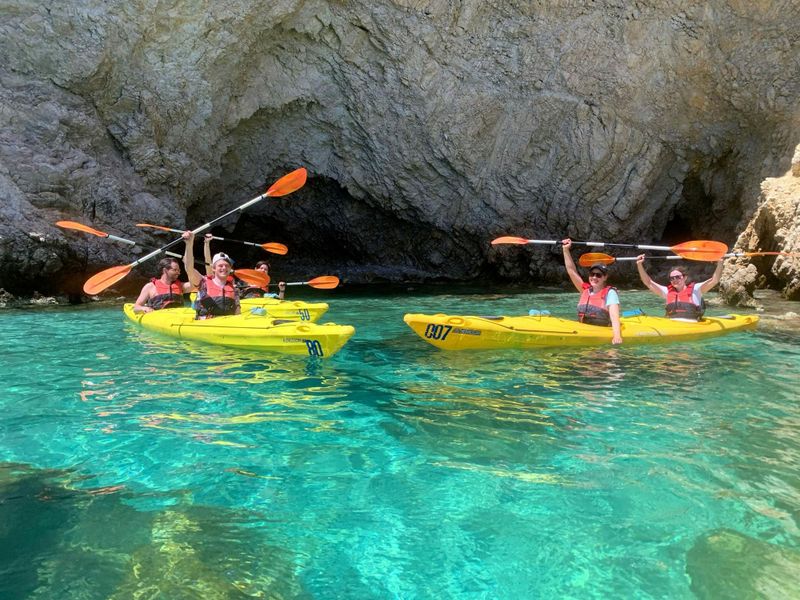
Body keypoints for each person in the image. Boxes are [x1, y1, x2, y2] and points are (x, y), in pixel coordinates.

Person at [562, 239, 623, 344]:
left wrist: (617, 336)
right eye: (592, 274)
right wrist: (565, 250)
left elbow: (614, 316)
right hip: (583, 330)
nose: (594, 277)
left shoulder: (610, 293)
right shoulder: (585, 290)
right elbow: (571, 271)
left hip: (601, 332)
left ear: (605, 277)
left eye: (598, 275)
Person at [636, 254, 723, 320]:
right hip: (672, 325)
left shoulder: (696, 289)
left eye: (678, 277)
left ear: (685, 278)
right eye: (672, 278)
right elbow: (648, 282)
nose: (675, 280)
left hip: (691, 326)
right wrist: (639, 265)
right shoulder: (667, 292)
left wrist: (720, 263)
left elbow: (714, 280)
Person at [201, 234, 286, 300]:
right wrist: (206, 243)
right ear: (255, 269)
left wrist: (281, 290)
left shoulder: (269, 283)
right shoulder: (242, 281)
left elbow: (279, 300)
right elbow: (207, 263)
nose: (263, 270)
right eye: (261, 268)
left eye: (265, 269)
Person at [182, 231, 240, 318]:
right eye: (220, 266)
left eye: (227, 266)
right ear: (213, 268)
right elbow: (189, 268)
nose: (224, 268)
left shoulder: (234, 289)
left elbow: (237, 312)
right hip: (206, 325)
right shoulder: (203, 283)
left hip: (227, 325)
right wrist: (189, 243)